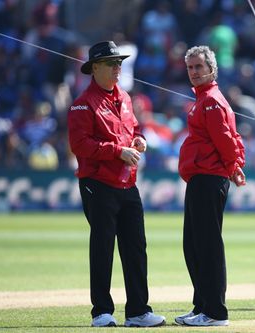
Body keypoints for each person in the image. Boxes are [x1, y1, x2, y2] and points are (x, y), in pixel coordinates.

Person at [67, 41, 165, 328]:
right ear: (94, 68)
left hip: (127, 183)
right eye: (111, 63)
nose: (117, 68)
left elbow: (132, 128)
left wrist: (138, 140)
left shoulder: (124, 97)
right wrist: (117, 151)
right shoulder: (82, 104)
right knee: (103, 246)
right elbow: (80, 145)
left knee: (135, 247)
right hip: (97, 183)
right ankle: (101, 312)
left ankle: (138, 311)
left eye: (119, 63)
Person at [175, 45, 246, 327]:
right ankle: (202, 305)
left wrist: (234, 167)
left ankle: (216, 312)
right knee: (193, 246)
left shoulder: (212, 101)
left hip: (209, 178)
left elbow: (227, 139)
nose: (194, 72)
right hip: (200, 178)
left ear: (211, 69)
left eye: (198, 67)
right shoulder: (204, 99)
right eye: (190, 68)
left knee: (207, 246)